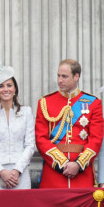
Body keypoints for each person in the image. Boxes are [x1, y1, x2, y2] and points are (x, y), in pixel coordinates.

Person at [35, 59, 103, 188]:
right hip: (54, 173)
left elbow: (96, 139)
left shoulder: (93, 103)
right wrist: (62, 163)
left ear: (76, 76)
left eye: (64, 76)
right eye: (58, 76)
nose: (60, 80)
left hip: (82, 174)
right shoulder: (45, 102)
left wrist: (78, 164)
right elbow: (40, 139)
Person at [0, 64, 35, 189]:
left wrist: (17, 170)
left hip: (20, 174)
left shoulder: (26, 112)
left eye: (9, 85)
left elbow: (30, 145)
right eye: (1, 86)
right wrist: (1, 172)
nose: (5, 89)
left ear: (15, 88)